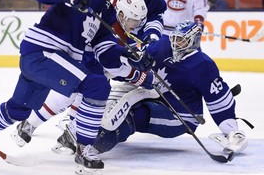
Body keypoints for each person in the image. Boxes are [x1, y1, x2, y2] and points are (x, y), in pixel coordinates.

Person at [0, 0, 155, 174]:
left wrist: (130, 56)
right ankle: (85, 148)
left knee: (18, 109)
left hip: (48, 61)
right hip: (43, 52)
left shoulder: (106, 13)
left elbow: (105, 52)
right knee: (96, 86)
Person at [11, 0, 166, 155]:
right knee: (81, 92)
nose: (135, 28)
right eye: (134, 22)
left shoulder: (119, 18)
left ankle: (68, 133)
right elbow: (113, 65)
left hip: (88, 56)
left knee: (89, 91)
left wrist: (137, 55)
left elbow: (115, 58)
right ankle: (40, 126)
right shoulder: (110, 19)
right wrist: (140, 76)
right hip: (81, 55)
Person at [92, 20, 249, 157]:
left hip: (180, 116)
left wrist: (231, 130)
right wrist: (113, 69)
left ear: (193, 42)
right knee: (114, 102)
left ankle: (96, 144)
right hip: (154, 97)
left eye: (181, 41)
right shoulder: (163, 45)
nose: (175, 44)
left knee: (134, 114)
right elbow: (139, 65)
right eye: (174, 39)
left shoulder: (203, 65)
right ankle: (84, 132)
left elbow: (218, 100)